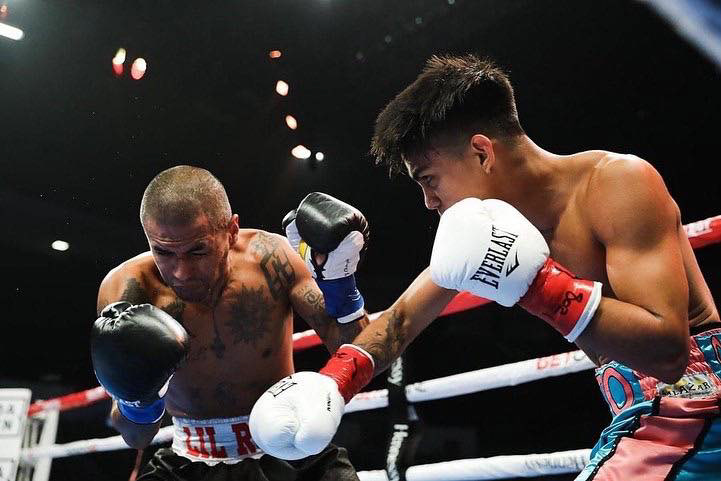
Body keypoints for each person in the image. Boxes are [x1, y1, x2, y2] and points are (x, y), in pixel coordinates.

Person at [249, 55, 721, 479]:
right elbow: (399, 323)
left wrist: (541, 287)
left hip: (701, 410)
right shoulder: (487, 233)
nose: (429, 202)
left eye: (429, 179)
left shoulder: (618, 184)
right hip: (642, 423)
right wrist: (332, 383)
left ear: (481, 152)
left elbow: (668, 355)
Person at [90, 165, 373, 480]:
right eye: (164, 252)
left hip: (291, 449)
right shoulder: (129, 289)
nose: (181, 272)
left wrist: (340, 287)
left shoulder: (272, 259)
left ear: (231, 230)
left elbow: (359, 353)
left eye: (198, 250)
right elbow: (137, 437)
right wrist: (141, 400)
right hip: (189, 463)